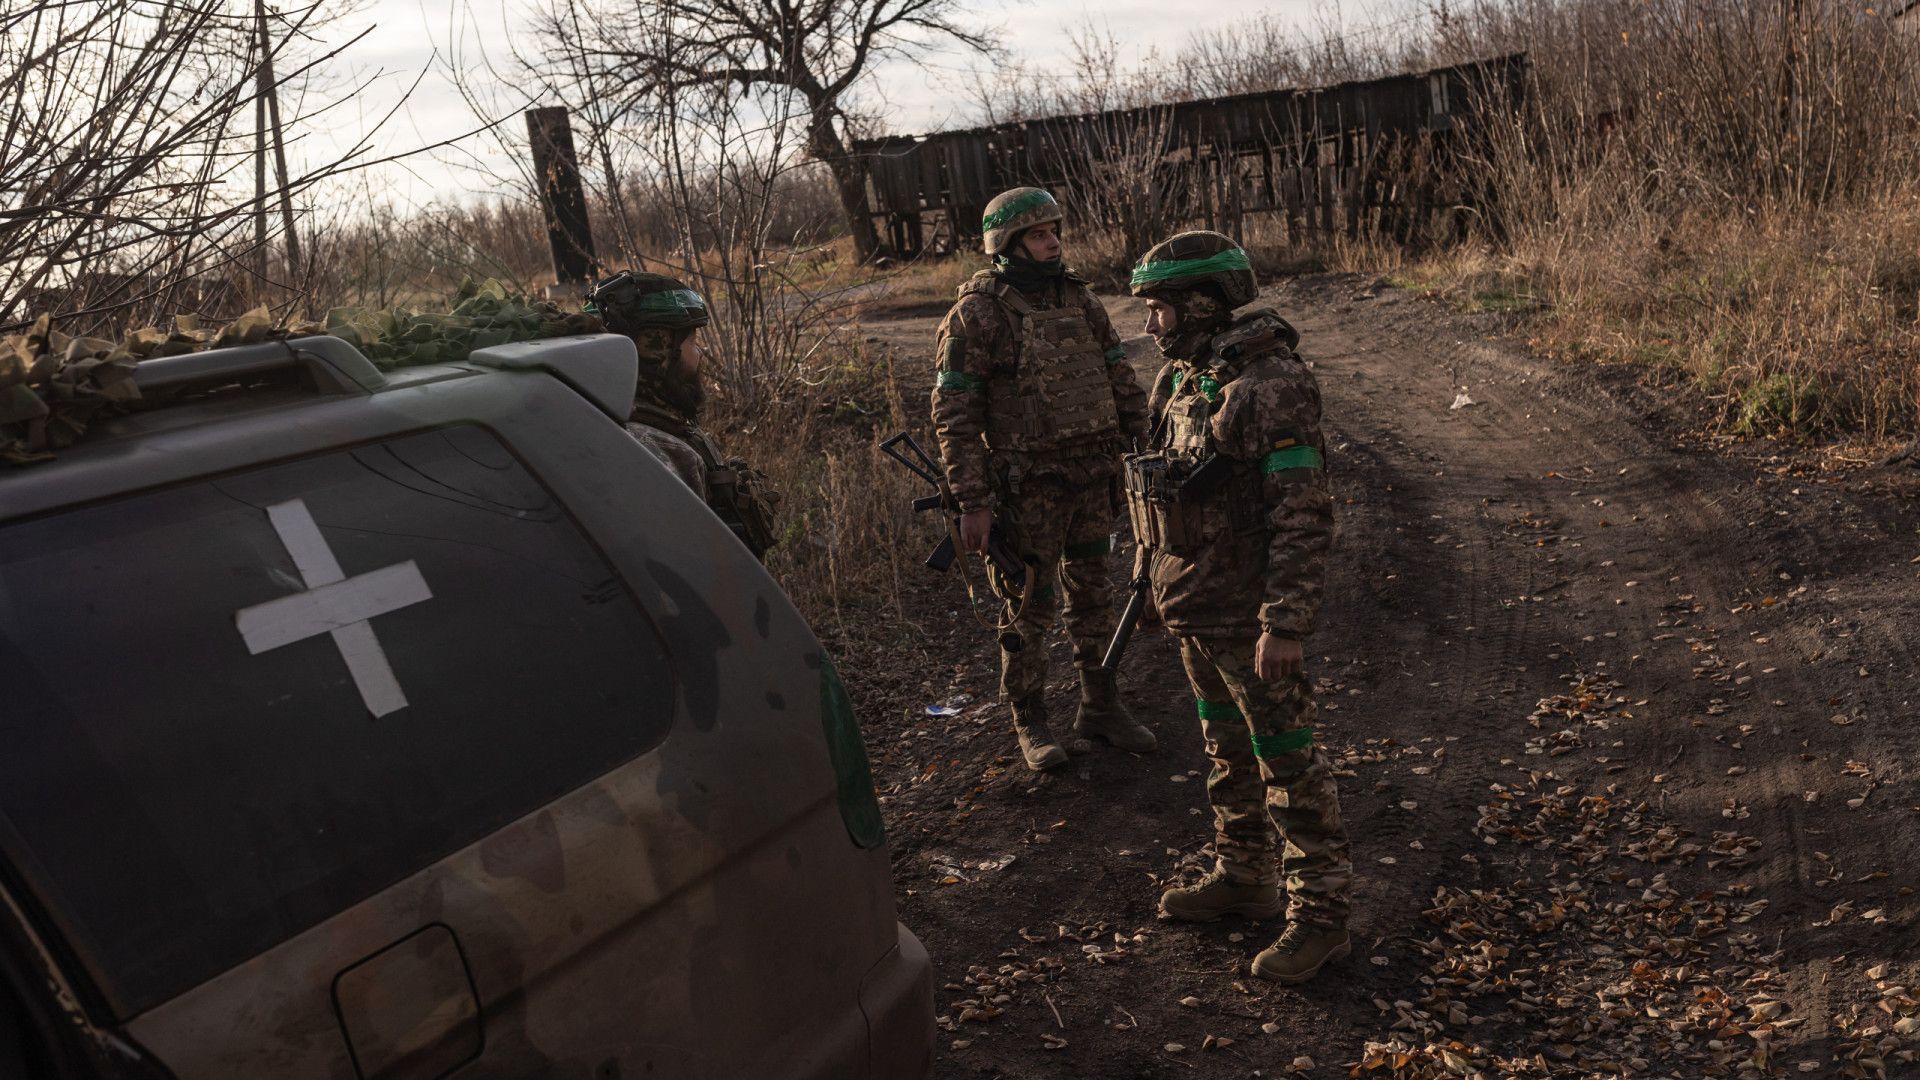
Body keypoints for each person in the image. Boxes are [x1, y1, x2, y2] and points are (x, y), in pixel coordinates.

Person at [1122, 230, 1352, 984]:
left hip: (1248, 617)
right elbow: (1155, 488)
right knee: (1227, 755)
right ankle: (1246, 876)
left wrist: (1284, 622)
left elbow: (1303, 510)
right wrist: (1146, 577)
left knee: (1288, 765)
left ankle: (1319, 920)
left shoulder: (1271, 383)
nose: (1151, 326)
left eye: (1157, 309)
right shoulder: (1184, 381)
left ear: (1199, 302)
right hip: (1193, 606)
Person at [929, 187, 1157, 771]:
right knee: (1031, 605)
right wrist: (972, 501)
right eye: (1038, 234)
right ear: (1006, 245)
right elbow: (956, 416)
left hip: (1091, 478)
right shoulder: (976, 314)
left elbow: (1117, 375)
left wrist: (1144, 444)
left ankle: (1100, 703)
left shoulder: (1080, 301)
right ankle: (1029, 716)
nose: (1053, 241)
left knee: (1094, 596)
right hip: (1028, 488)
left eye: (1055, 230)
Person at [586, 270, 776, 558]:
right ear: (659, 352)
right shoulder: (652, 449)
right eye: (691, 342)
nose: (699, 354)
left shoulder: (619, 419)